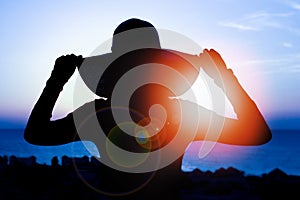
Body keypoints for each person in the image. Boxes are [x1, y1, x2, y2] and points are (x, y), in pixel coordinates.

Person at [24, 18, 271, 199]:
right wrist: (225, 80)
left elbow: (35, 134)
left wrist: (56, 81)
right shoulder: (182, 115)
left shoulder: (100, 116)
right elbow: (258, 133)